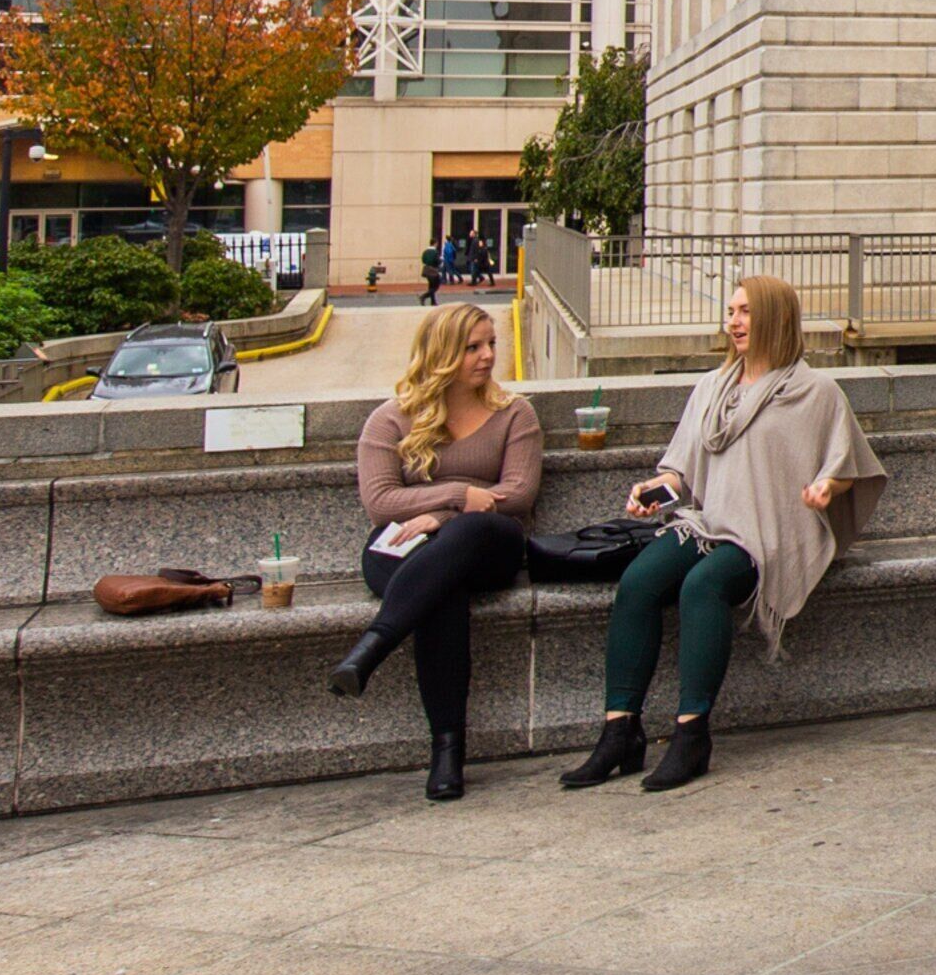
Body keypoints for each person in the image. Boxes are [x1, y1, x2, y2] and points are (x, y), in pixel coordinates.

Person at [559, 275, 884, 794]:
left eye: (746, 311)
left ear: (775, 317)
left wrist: (827, 486)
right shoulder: (712, 388)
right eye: (731, 311)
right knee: (638, 582)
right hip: (708, 523)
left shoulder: (814, 392)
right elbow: (682, 475)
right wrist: (653, 491)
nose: (733, 321)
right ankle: (619, 732)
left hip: (769, 532)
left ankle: (691, 734)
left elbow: (846, 465)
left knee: (702, 585)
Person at [332, 302, 542, 801]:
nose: (487, 355)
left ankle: (373, 647)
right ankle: (447, 754)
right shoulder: (390, 419)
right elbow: (380, 502)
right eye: (472, 347)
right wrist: (456, 496)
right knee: (440, 594)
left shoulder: (514, 413)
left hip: (489, 542)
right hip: (407, 545)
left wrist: (447, 515)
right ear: (441, 354)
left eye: (491, 344)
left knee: (467, 534)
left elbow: (517, 495)